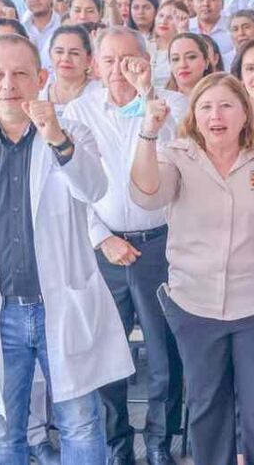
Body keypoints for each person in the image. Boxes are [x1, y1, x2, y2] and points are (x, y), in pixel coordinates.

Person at [0, 33, 133, 463]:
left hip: (60, 304)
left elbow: (94, 189)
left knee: (81, 423)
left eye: (21, 73)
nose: (9, 84)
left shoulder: (71, 134)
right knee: (2, 432)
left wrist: (57, 138)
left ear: (41, 78)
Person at [130, 73, 254, 465]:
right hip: (195, 303)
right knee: (206, 406)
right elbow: (147, 194)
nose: (215, 115)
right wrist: (148, 134)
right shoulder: (176, 154)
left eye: (226, 106)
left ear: (244, 113)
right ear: (194, 115)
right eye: (205, 107)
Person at [63, 27, 187, 465]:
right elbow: (72, 186)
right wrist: (102, 237)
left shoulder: (173, 104)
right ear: (95, 67)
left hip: (162, 245)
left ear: (146, 61)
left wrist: (148, 94)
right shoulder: (77, 111)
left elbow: (178, 161)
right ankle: (117, 445)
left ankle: (158, 443)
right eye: (110, 60)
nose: (120, 69)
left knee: (164, 353)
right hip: (104, 249)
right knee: (108, 355)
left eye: (129, 59)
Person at [41, 25, 99, 114]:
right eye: (59, 52)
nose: (65, 58)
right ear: (50, 55)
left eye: (74, 53)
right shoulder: (39, 92)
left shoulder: (98, 93)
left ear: (89, 59)